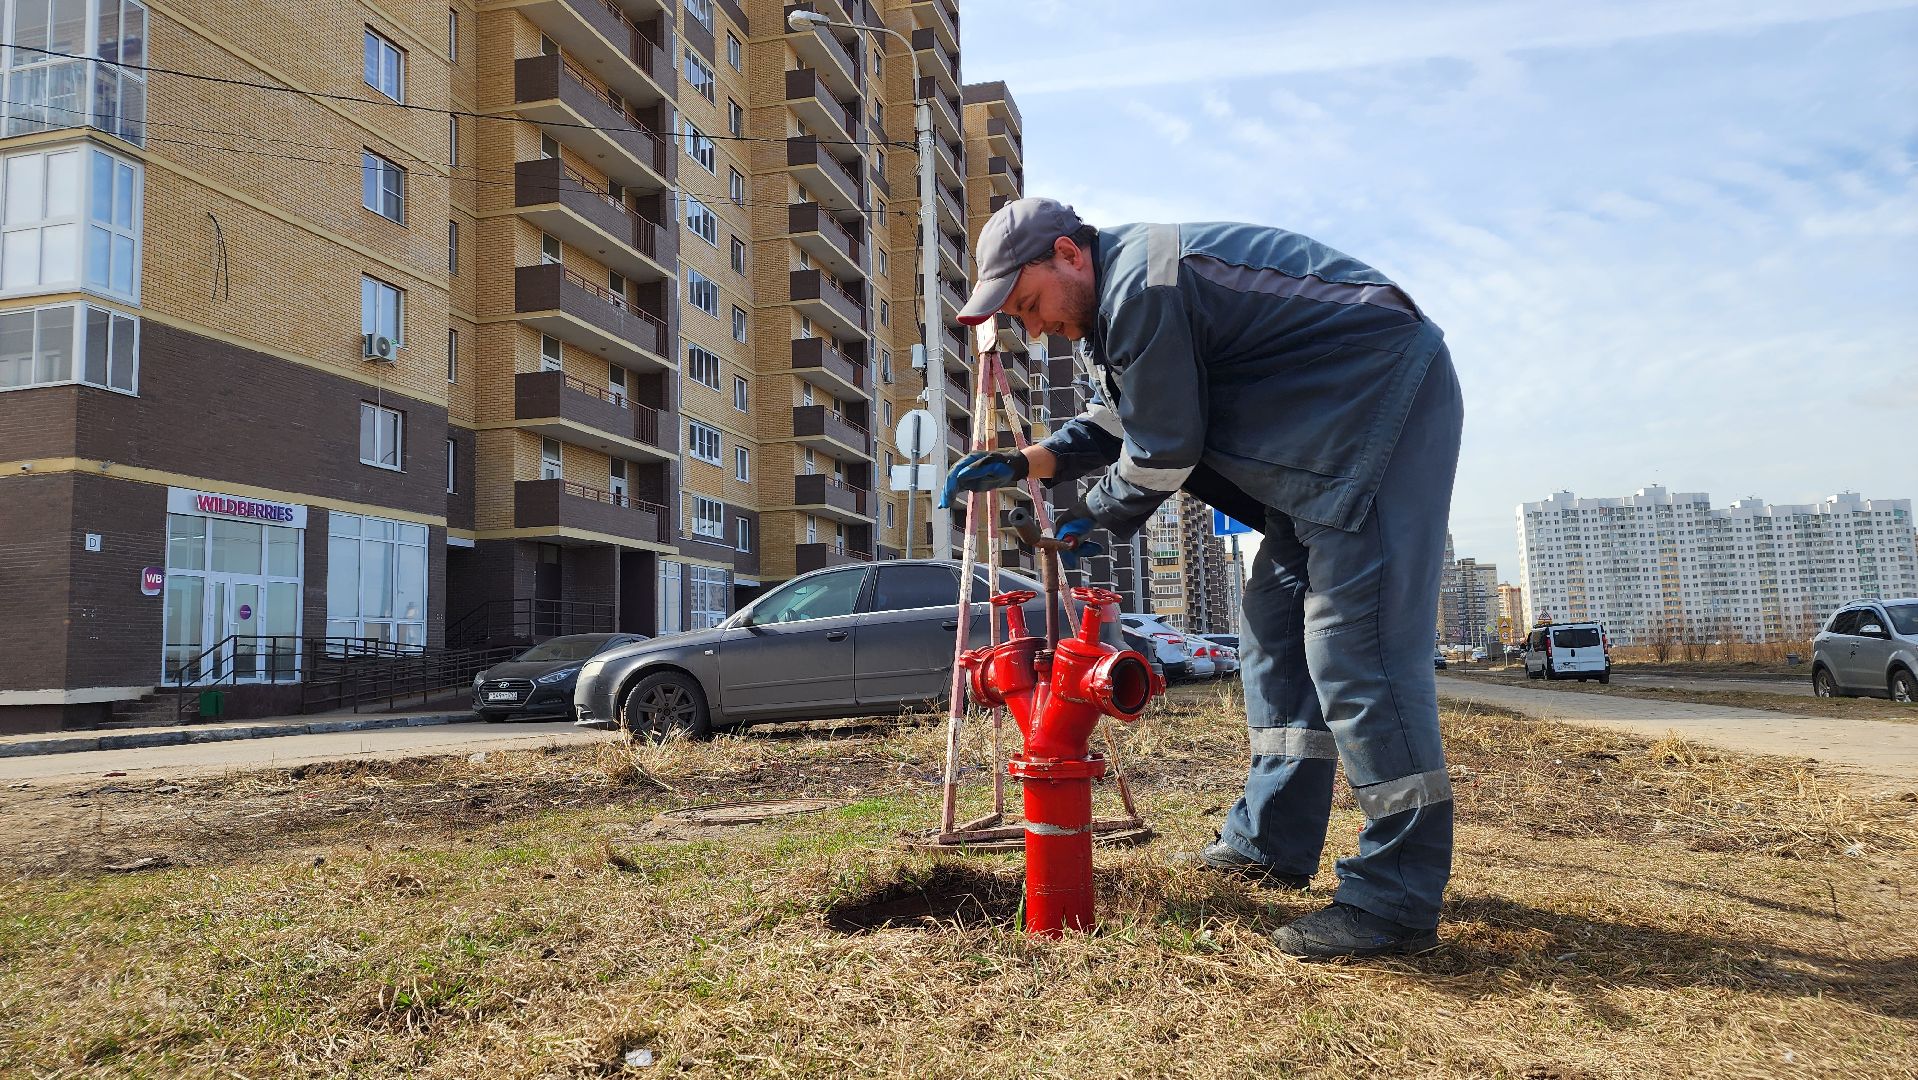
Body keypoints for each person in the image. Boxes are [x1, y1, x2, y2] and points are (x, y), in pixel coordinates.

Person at [943, 198, 1463, 959]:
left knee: (1357, 655)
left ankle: (1395, 899)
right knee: (1274, 637)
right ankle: (1271, 844)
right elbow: (1121, 420)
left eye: (1029, 304)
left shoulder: (1143, 289)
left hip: (1372, 414)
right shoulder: (1114, 311)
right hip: (1312, 451)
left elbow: (1163, 449)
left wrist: (1091, 516)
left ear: (1067, 254)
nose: (1034, 327)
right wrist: (1029, 464)